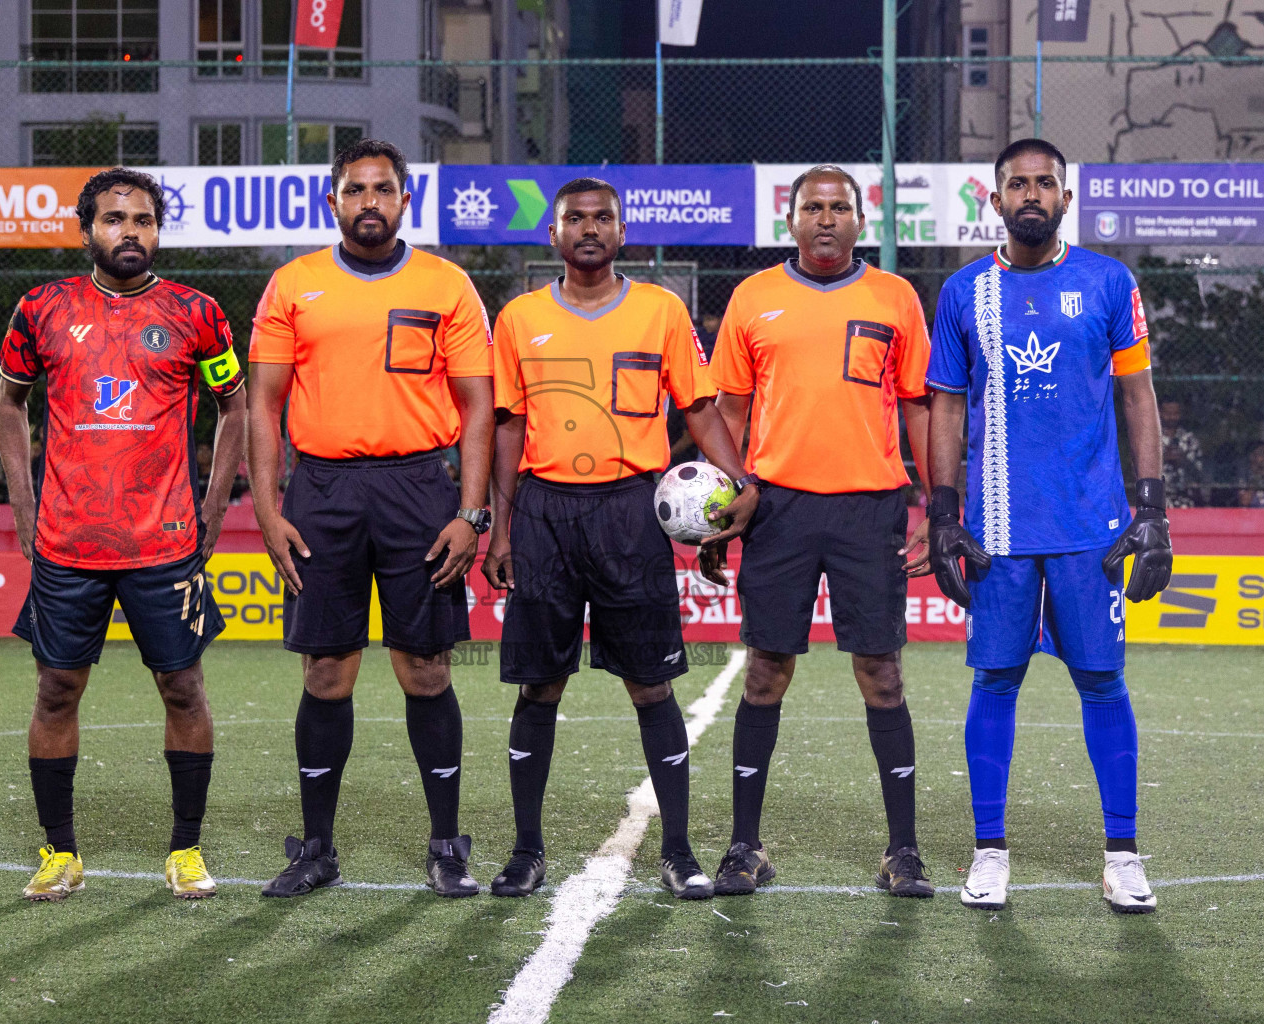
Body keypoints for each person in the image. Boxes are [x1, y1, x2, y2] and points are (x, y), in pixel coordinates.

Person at [482, 178, 760, 900]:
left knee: (651, 684)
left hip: (630, 512)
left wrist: (741, 480)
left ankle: (677, 850)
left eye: (602, 217)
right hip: (543, 512)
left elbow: (698, 406)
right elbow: (506, 425)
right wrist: (500, 526)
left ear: (622, 231)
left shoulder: (661, 310)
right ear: (554, 234)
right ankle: (525, 850)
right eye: (574, 218)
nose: (588, 228)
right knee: (538, 684)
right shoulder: (518, 318)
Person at [925, 138, 1173, 915]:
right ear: (993, 201)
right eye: (1016, 184)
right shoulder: (964, 292)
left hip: (1089, 526)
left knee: (1102, 681)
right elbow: (945, 405)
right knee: (995, 680)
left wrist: (1153, 509)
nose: (1031, 194)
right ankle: (990, 850)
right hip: (997, 528)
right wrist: (940, 514)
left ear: (1065, 199)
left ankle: (1123, 855)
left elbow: (1138, 397)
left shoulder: (1108, 281)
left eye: (1045, 184)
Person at [249, 139, 495, 899]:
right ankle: (317, 847)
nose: (369, 202)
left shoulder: (447, 284)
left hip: (419, 488)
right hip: (321, 492)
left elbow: (479, 405)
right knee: (327, 671)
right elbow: (262, 402)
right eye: (355, 190)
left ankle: (446, 845)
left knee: (426, 668)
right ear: (334, 202)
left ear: (404, 200)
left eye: (382, 189)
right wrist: (265, 506)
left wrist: (472, 513)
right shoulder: (294, 284)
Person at [0, 167, 248, 902]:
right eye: (114, 219)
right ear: (87, 231)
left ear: (158, 231)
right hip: (68, 544)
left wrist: (214, 505)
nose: (129, 231)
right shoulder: (41, 309)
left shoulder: (197, 312)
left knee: (183, 686)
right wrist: (24, 508)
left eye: (143, 219)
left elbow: (235, 408)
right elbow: (10, 408)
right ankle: (59, 853)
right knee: (55, 691)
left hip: (164, 545)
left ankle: (186, 850)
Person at [704, 164, 936, 898]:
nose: (826, 218)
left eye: (840, 207)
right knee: (767, 671)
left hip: (871, 509)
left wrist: (937, 505)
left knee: (883, 674)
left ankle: (903, 851)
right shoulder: (754, 297)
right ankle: (744, 847)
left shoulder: (896, 297)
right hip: (777, 507)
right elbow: (729, 416)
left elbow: (919, 409)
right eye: (813, 206)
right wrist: (721, 506)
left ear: (860, 221)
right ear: (791, 218)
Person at [1159, 399, 1203, 508]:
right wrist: (1164, 457)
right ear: (1160, 413)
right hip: (1158, 498)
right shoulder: (1153, 438)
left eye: (1175, 414)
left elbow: (1199, 470)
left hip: (1185, 497)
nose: (1171, 417)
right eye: (1168, 414)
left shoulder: (1189, 439)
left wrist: (1182, 460)